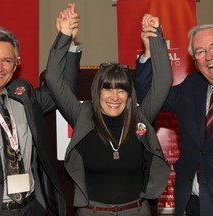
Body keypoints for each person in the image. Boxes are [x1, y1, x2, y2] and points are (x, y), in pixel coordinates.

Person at [0, 4, 81, 216]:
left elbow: (63, 90)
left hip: (31, 209)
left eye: (7, 60)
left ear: (15, 65)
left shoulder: (25, 98)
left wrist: (66, 39)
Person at [45, 14, 172, 215]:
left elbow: (164, 81)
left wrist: (155, 37)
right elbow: (53, 78)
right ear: (98, 91)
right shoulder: (83, 116)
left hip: (136, 211)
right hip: (92, 212)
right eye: (107, 89)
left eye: (121, 90)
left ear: (129, 95)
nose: (115, 96)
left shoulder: (141, 116)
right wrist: (64, 36)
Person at [135, 21, 213, 216]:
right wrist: (151, 49)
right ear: (195, 60)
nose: (209, 56)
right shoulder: (192, 86)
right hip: (192, 205)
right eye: (199, 52)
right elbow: (150, 96)